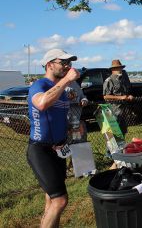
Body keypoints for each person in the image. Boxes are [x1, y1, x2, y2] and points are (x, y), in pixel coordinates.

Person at [27, 48, 80, 227]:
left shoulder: (62, 90)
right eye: (63, 63)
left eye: (70, 63)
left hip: (58, 149)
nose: (67, 66)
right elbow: (41, 104)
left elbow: (57, 117)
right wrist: (66, 80)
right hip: (40, 149)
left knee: (51, 200)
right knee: (60, 201)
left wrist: (70, 130)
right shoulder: (39, 85)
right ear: (49, 65)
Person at [103, 60, 133, 136]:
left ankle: (122, 148)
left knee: (122, 133)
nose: (120, 70)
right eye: (117, 68)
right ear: (113, 70)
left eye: (121, 68)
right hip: (113, 112)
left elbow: (125, 92)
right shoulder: (109, 80)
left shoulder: (122, 80)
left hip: (122, 111)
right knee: (113, 135)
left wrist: (128, 96)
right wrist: (121, 97)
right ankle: (111, 148)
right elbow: (106, 96)